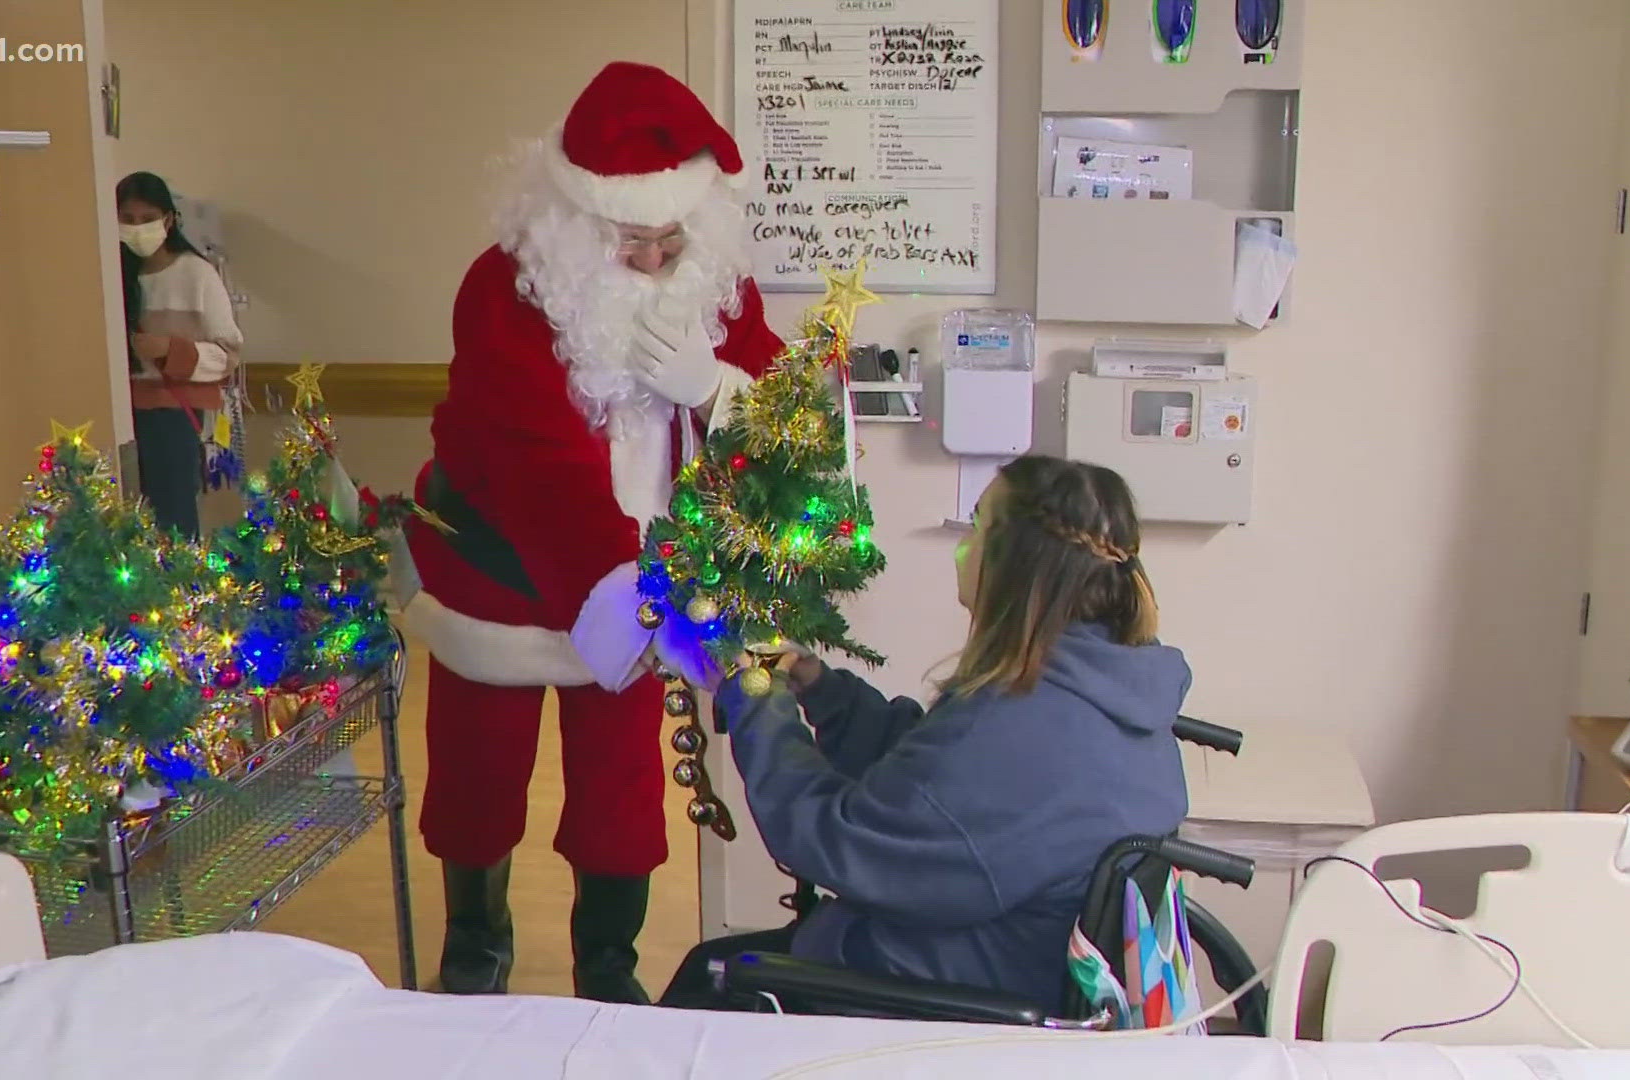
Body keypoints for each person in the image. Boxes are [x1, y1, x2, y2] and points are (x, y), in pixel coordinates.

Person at [401, 61, 785, 1002]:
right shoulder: (505, 291)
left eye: (670, 239)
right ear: (577, 223)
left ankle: (608, 966)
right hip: (502, 568)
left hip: (638, 575)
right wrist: (630, 592)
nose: (655, 261)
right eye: (632, 241)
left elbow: (782, 409)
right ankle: (476, 944)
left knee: (621, 788)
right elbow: (538, 467)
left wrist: (720, 392)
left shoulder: (710, 284)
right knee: (478, 775)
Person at [657, 456, 1191, 1014]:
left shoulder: (1016, 726)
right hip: (1001, 957)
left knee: (705, 984)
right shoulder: (1098, 688)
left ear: (1018, 560)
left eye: (978, 525)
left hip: (946, 999)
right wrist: (822, 690)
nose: (963, 546)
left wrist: (756, 691)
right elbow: (932, 783)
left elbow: (829, 839)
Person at [117, 171, 240, 538]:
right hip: (122, 415)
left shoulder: (196, 274)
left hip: (172, 416)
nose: (137, 229)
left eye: (147, 219)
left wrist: (172, 350)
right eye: (127, 219)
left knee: (171, 522)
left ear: (168, 220)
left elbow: (227, 353)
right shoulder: (115, 275)